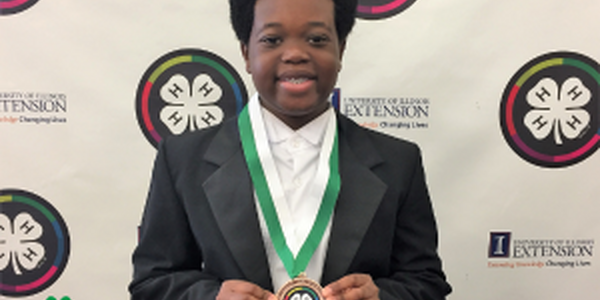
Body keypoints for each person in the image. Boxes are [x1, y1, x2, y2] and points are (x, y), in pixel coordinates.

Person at [129, 0, 452, 299]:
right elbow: (151, 281)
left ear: (342, 49)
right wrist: (210, 298)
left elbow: (426, 281)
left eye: (316, 39)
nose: (295, 54)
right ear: (245, 52)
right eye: (272, 40)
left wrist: (381, 297)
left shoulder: (398, 162)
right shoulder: (183, 159)